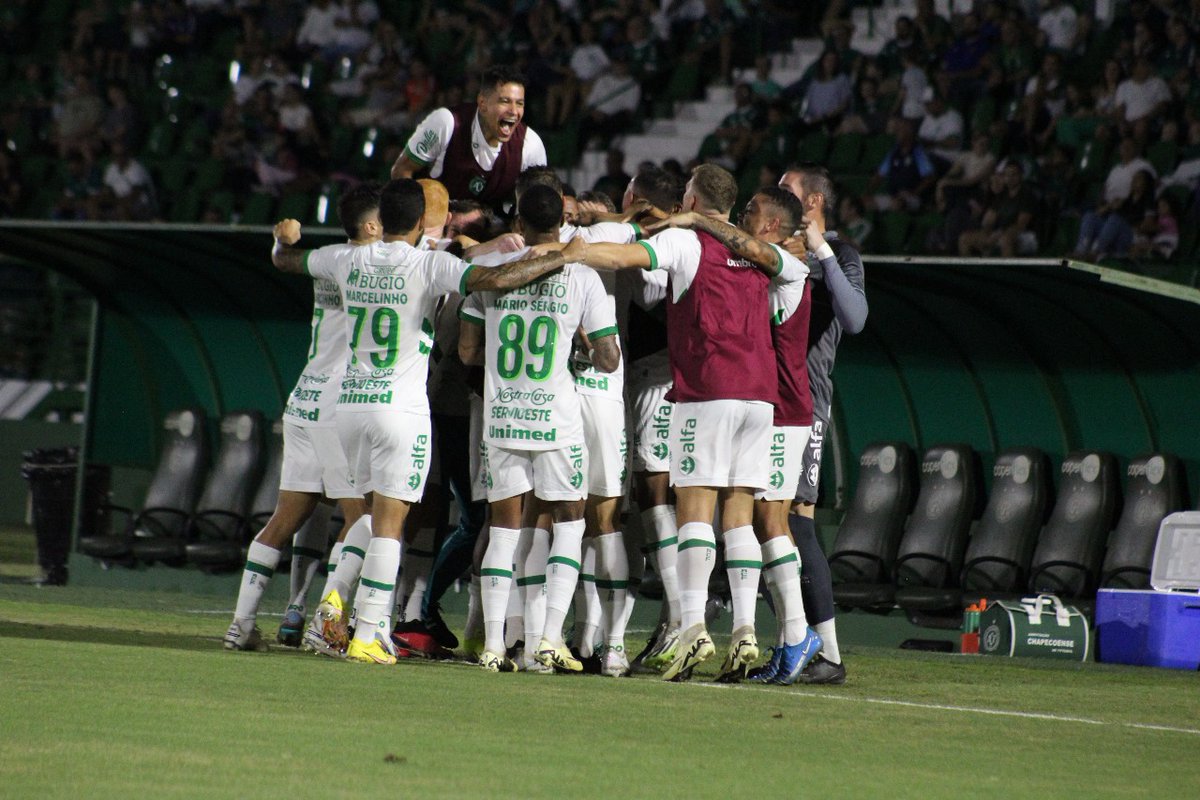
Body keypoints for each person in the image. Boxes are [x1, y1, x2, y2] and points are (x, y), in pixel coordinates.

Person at [269, 179, 572, 665]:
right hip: (400, 411)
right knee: (392, 524)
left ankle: (336, 608)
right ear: (417, 222)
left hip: (347, 408)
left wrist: (282, 239)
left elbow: (287, 261)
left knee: (365, 517)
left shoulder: (344, 258)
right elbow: (494, 281)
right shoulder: (430, 264)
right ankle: (367, 631)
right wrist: (561, 257)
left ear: (381, 218)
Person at [557, 164, 810, 682]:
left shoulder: (686, 243)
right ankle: (744, 631)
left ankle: (692, 628)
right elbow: (777, 261)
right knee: (738, 513)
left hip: (708, 389)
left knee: (695, 508)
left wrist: (578, 250)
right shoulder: (775, 259)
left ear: (692, 198)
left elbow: (627, 255)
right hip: (761, 397)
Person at [644, 187, 826, 685]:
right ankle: (753, 634)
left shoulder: (785, 268)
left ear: (770, 226)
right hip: (767, 403)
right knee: (750, 521)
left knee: (771, 522)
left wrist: (695, 220)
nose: (743, 217)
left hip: (783, 407)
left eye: (751, 212)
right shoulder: (767, 266)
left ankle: (798, 635)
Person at [458, 184, 621, 673]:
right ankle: (547, 638)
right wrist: (582, 348)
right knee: (569, 523)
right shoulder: (583, 276)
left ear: (519, 225)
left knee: (503, 531)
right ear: (562, 224)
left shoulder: (493, 275)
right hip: (557, 420)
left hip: (504, 416)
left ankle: (492, 645)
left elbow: (467, 351)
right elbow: (609, 359)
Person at [223, 182, 381, 654]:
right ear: (372, 226)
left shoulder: (328, 258)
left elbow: (282, 261)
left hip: (305, 398)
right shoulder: (374, 264)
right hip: (341, 405)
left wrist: (281, 242)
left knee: (285, 518)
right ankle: (328, 623)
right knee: (364, 519)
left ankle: (241, 623)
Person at [778, 163, 867, 684]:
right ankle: (780, 638)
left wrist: (822, 252)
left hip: (806, 404)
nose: (777, 196)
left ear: (812, 201)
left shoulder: (844, 256)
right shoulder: (773, 249)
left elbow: (854, 319)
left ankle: (828, 653)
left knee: (796, 522)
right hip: (761, 400)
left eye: (787, 191)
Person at [390, 65, 547, 213]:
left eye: (519, 104)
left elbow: (537, 206)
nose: (514, 111)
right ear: (482, 103)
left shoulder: (531, 145)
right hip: (437, 230)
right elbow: (402, 170)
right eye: (505, 101)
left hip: (493, 235)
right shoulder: (447, 122)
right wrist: (417, 219)